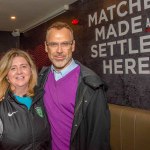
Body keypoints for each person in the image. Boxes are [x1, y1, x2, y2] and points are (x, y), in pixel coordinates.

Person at [38, 22, 110, 150]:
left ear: (73, 46)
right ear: (46, 47)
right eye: (53, 44)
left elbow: (98, 139)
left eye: (65, 44)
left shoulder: (91, 85)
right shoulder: (42, 77)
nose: (59, 50)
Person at [0, 49, 50, 150]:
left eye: (23, 66)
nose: (19, 71)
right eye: (13, 68)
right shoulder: (1, 105)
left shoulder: (42, 98)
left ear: (31, 71)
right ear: (7, 76)